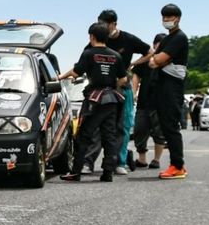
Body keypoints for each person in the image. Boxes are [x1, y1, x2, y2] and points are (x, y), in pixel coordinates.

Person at [57, 22, 127, 182]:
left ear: (92, 37)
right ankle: (107, 172)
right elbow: (123, 79)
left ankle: (76, 172)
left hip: (94, 100)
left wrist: (59, 77)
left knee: (84, 135)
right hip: (112, 100)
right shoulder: (116, 56)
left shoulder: (89, 54)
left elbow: (75, 73)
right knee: (109, 136)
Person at [95, 10, 147, 175]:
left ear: (114, 24)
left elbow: (150, 51)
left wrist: (133, 64)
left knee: (123, 126)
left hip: (123, 88)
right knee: (100, 126)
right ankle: (94, 162)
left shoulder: (128, 39)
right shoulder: (98, 39)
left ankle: (121, 162)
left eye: (104, 24)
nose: (102, 27)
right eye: (99, 23)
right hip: (103, 89)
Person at [143, 4, 189, 180]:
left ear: (177, 18)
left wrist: (159, 60)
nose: (166, 20)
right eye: (164, 17)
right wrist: (159, 60)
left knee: (171, 126)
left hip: (172, 88)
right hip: (162, 86)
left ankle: (178, 166)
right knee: (165, 126)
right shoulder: (167, 39)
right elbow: (153, 61)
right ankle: (177, 165)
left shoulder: (179, 37)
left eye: (169, 17)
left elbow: (157, 59)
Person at [131, 33, 167, 169]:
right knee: (140, 130)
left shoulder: (168, 59)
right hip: (143, 102)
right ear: (154, 44)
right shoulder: (146, 59)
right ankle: (142, 159)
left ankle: (156, 160)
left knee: (159, 132)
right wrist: (134, 93)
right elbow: (136, 76)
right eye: (158, 43)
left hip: (160, 103)